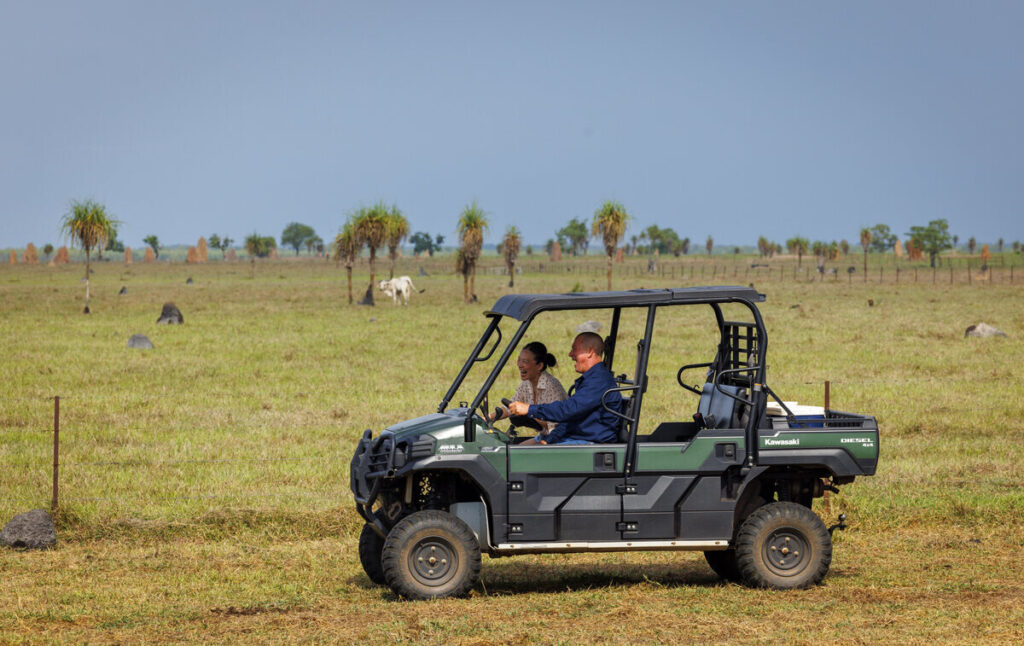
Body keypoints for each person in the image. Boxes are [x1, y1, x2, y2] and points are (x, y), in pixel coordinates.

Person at [509, 332, 622, 445]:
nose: (570, 354)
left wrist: (529, 409)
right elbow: (570, 419)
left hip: (590, 443)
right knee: (518, 450)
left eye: (574, 349)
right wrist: (547, 440)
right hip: (575, 438)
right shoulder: (590, 379)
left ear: (589, 352)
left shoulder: (599, 381)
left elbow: (567, 410)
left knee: (524, 454)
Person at [493, 341, 568, 436]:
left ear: (539, 366)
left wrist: (528, 414)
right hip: (545, 437)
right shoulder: (526, 384)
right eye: (519, 360)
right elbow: (510, 408)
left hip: (560, 438)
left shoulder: (552, 386)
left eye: (525, 362)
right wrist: (488, 418)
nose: (520, 365)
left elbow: (555, 426)